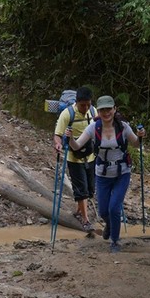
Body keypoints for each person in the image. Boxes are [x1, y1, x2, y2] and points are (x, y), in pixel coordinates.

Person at [68, 95, 146, 252]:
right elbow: (76, 146)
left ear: (114, 109)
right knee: (103, 210)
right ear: (99, 111)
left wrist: (140, 136)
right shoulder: (93, 128)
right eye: (102, 109)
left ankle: (115, 241)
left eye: (108, 109)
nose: (106, 112)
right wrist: (69, 139)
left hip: (122, 173)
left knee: (114, 208)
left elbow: (136, 144)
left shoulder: (123, 127)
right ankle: (110, 225)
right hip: (102, 175)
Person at [53, 87, 97, 232]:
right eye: (82, 105)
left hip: (90, 156)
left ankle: (79, 211)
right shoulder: (67, 114)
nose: (85, 108)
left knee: (90, 189)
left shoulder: (93, 112)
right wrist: (58, 144)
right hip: (73, 157)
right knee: (81, 189)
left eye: (88, 104)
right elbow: (57, 134)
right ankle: (85, 220)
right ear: (76, 103)